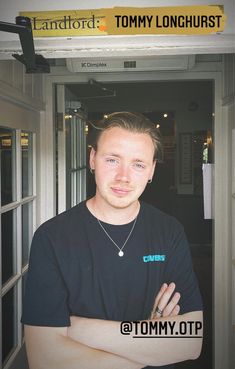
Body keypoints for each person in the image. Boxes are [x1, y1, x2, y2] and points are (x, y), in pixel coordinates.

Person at [22, 112, 203, 369]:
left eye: (138, 164)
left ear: (151, 170)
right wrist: (150, 340)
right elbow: (44, 359)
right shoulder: (52, 237)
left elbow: (190, 342)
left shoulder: (169, 231)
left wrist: (79, 330)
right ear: (92, 158)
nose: (123, 177)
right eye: (112, 160)